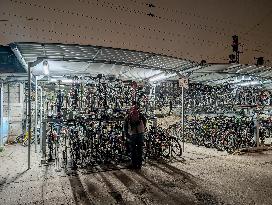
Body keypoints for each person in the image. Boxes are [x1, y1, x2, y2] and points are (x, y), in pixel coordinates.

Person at [125, 101, 147, 169]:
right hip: (141, 133)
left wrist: (127, 135)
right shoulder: (140, 114)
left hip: (133, 134)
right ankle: (139, 164)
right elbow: (145, 120)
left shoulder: (128, 116)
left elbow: (125, 127)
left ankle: (134, 164)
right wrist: (143, 128)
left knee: (133, 150)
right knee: (140, 149)